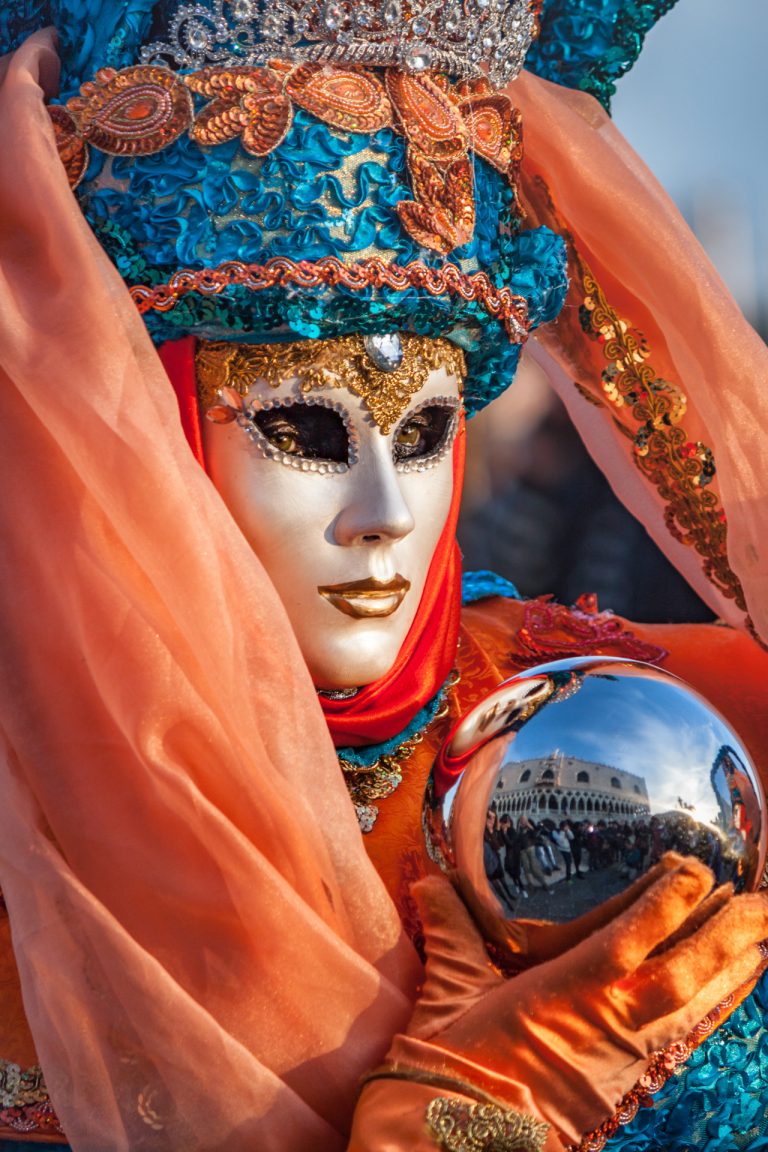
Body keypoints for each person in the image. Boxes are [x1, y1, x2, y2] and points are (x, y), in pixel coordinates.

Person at [1, 3, 768, 1151]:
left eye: (424, 436)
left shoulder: (623, 752)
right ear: (146, 437)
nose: (385, 514)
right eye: (304, 433)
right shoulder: (30, 793)